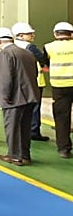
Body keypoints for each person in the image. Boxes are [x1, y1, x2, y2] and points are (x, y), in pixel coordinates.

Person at [0, 26, 39, 166]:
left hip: (15, 98)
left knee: (12, 128)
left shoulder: (5, 54)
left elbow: (5, 77)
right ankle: (25, 155)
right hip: (30, 95)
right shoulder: (26, 53)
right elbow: (35, 73)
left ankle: (14, 156)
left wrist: (5, 96)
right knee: (25, 127)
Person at [12, 22, 50, 141]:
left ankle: (21, 130)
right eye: (29, 34)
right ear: (21, 35)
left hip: (19, 81)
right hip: (35, 81)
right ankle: (34, 131)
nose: (32, 35)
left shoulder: (12, 47)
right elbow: (42, 59)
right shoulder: (30, 47)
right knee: (34, 107)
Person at [46, 21, 73, 159]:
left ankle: (64, 149)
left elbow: (44, 62)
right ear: (71, 34)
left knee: (62, 118)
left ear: (55, 34)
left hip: (60, 86)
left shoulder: (49, 47)